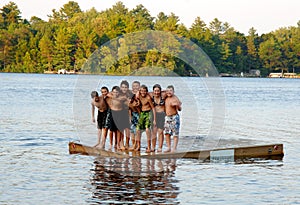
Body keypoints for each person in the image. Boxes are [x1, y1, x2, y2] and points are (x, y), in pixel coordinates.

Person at [105, 86, 129, 151]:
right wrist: (113, 96)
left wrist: (115, 98)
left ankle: (118, 144)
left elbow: (125, 99)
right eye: (114, 92)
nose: (115, 93)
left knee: (119, 130)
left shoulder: (122, 97)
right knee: (111, 130)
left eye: (117, 92)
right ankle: (111, 144)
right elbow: (107, 94)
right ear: (112, 92)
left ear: (119, 92)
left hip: (120, 113)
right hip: (113, 113)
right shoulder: (110, 95)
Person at [133, 85, 156, 152]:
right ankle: (138, 146)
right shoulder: (138, 96)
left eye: (144, 91)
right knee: (137, 130)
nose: (143, 92)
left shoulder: (148, 98)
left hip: (148, 113)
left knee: (147, 130)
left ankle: (149, 147)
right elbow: (136, 95)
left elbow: (153, 108)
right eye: (142, 91)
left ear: (146, 91)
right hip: (142, 113)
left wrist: (154, 119)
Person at [164, 85, 182, 152]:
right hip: (167, 117)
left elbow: (180, 109)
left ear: (174, 92)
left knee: (175, 133)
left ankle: (174, 148)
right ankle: (168, 147)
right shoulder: (166, 98)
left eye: (171, 91)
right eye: (167, 91)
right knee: (167, 133)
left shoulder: (175, 98)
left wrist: (177, 105)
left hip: (174, 117)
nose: (169, 92)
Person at [150, 84, 166, 152]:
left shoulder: (163, 95)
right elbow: (140, 92)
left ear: (160, 91)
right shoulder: (151, 96)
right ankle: (153, 147)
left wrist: (162, 91)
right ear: (153, 91)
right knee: (154, 132)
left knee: (160, 132)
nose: (156, 92)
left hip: (162, 114)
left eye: (158, 91)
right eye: (155, 91)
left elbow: (170, 92)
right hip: (154, 115)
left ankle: (160, 147)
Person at [119, 80, 132, 149]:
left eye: (125, 87)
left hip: (127, 113)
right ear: (120, 87)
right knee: (121, 129)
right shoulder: (118, 94)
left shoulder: (129, 94)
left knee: (128, 129)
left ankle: (127, 143)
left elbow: (130, 108)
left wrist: (130, 118)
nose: (124, 89)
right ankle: (121, 143)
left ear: (128, 88)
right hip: (120, 113)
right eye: (123, 87)